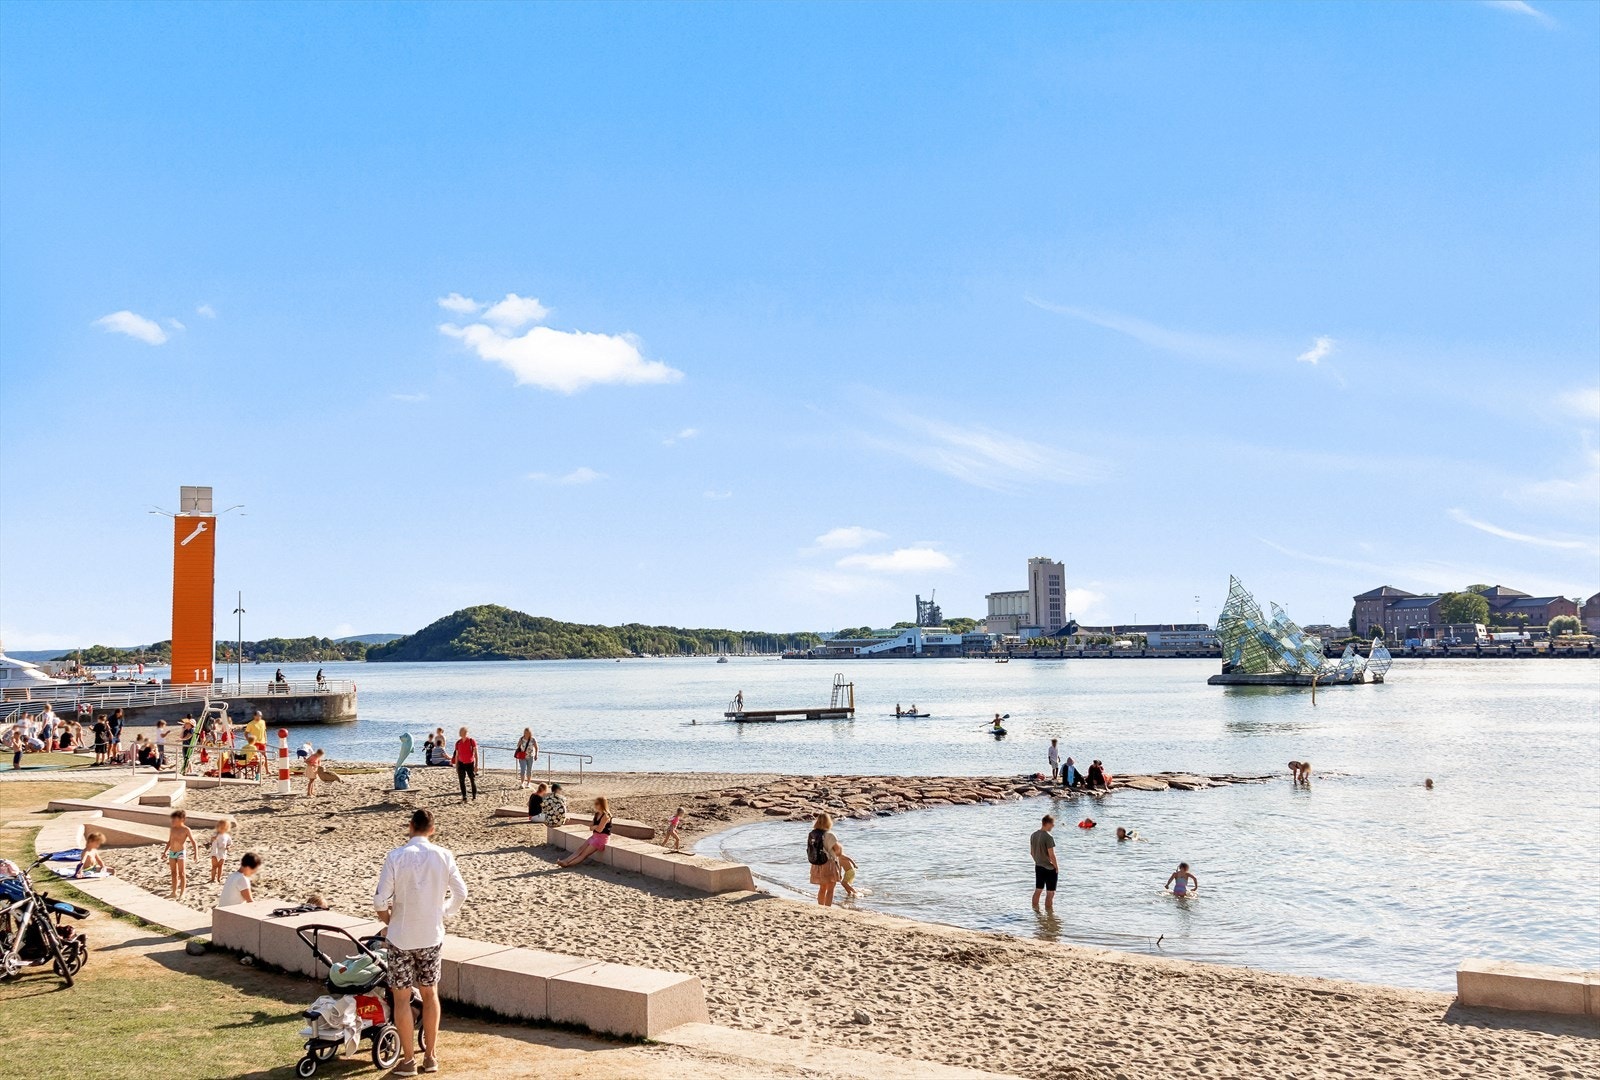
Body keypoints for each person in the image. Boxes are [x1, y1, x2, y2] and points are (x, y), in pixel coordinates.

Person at [373, 808, 469, 1077]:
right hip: (431, 935)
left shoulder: (396, 856)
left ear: (410, 826)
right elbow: (462, 892)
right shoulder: (444, 855)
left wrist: (387, 918)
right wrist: (444, 910)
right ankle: (430, 1056)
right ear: (432, 829)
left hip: (401, 936)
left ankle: (407, 1060)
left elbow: (380, 898)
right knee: (430, 994)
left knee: (401, 999)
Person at [557, 797, 613, 868]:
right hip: (595, 836)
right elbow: (590, 826)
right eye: (595, 803)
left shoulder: (606, 816)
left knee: (584, 854)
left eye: (597, 804)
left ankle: (568, 864)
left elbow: (600, 830)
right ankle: (566, 861)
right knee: (580, 849)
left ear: (602, 804)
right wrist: (595, 826)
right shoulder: (597, 814)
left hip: (601, 839)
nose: (595, 805)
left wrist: (595, 827)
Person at [806, 812, 841, 907]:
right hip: (828, 863)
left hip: (816, 863)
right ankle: (828, 908)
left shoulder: (812, 834)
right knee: (830, 889)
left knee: (822, 888)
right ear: (829, 822)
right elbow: (838, 850)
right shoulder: (830, 834)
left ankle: (820, 906)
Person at [164, 809, 199, 898]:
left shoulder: (186, 829)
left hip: (180, 852)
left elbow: (193, 842)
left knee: (182, 873)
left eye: (175, 819)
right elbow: (169, 841)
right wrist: (165, 852)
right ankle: (174, 892)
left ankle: (182, 893)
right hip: (172, 852)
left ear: (182, 819)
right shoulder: (172, 829)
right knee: (173, 873)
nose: (172, 821)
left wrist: (196, 854)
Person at [1031, 814, 1058, 910]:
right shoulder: (1048, 836)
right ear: (1047, 823)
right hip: (1049, 868)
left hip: (1038, 866)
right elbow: (1052, 855)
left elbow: (1032, 853)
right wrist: (1056, 867)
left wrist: (1038, 861)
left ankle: (1036, 913)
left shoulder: (1033, 835)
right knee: (1050, 893)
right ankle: (1049, 915)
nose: (1053, 826)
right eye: (1052, 824)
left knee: (1038, 890)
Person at [451, 727, 478, 802]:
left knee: (472, 779)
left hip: (470, 763)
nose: (461, 733)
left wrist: (476, 765)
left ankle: (474, 795)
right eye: (461, 732)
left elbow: (476, 754)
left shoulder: (471, 741)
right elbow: (456, 755)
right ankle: (464, 796)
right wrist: (456, 766)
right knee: (461, 780)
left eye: (463, 732)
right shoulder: (458, 742)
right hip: (461, 763)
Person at [209, 819, 234, 883]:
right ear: (217, 827)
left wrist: (228, 847)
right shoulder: (215, 834)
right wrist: (212, 839)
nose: (222, 829)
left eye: (224, 827)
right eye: (221, 827)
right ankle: (212, 878)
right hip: (215, 852)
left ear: (227, 828)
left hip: (223, 852)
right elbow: (211, 841)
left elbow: (230, 843)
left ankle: (219, 878)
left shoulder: (227, 836)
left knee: (220, 866)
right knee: (214, 866)